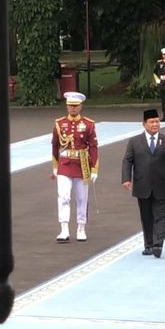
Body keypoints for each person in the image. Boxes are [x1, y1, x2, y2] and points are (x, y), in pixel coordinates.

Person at [121, 109, 165, 258]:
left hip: (162, 185)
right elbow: (127, 160)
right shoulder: (134, 142)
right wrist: (126, 178)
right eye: (152, 122)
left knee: (160, 215)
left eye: (157, 121)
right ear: (144, 124)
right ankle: (148, 244)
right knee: (146, 216)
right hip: (143, 185)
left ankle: (158, 243)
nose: (155, 124)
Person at [51, 91, 98, 242]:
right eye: (70, 106)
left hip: (82, 164)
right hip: (64, 164)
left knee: (81, 198)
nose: (72, 109)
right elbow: (55, 145)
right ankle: (64, 228)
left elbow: (93, 147)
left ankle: (81, 227)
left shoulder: (89, 125)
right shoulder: (59, 124)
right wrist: (55, 166)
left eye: (75, 106)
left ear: (81, 106)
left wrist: (94, 168)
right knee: (63, 196)